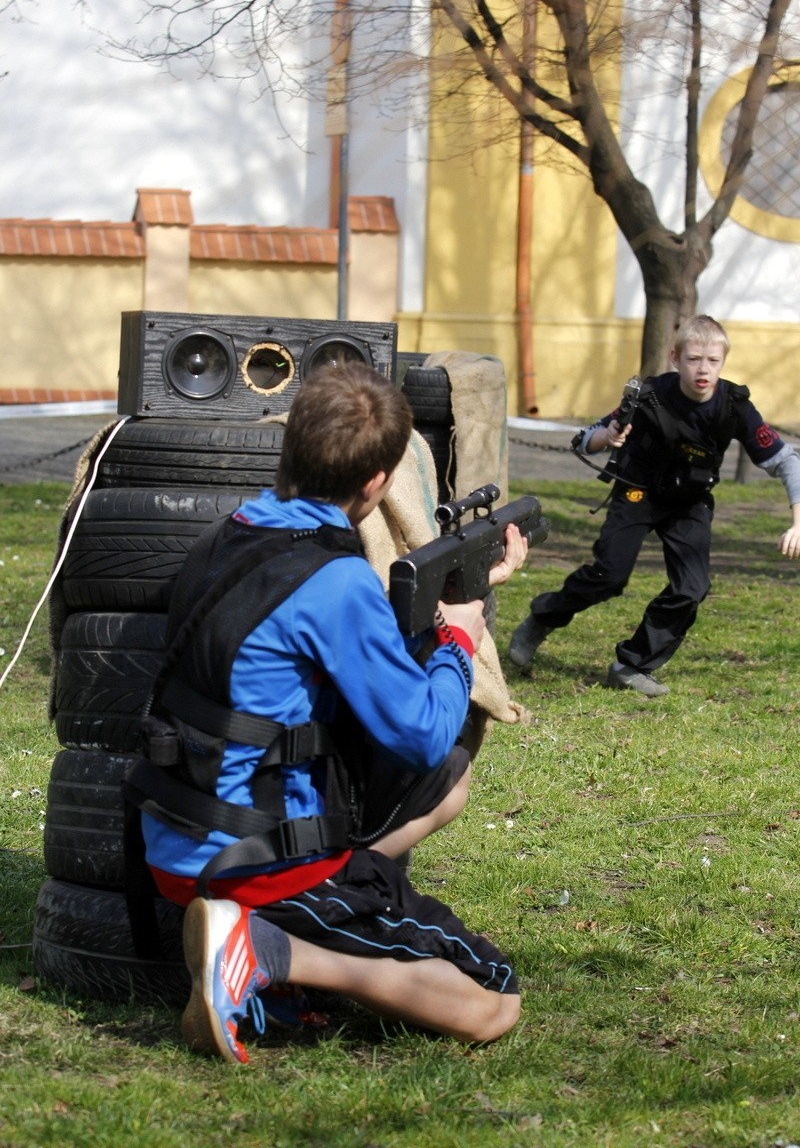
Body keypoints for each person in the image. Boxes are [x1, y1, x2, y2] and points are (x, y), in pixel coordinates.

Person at [125, 360, 527, 1064]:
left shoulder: (228, 534)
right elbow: (424, 733)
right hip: (255, 864)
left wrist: (461, 586)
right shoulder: (338, 580)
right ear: (376, 483)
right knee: (493, 1001)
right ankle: (270, 952)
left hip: (174, 835)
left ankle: (275, 934)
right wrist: (462, 628)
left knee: (453, 783)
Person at [508, 314, 800, 696]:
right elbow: (584, 440)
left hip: (689, 503)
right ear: (675, 357)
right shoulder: (649, 396)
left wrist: (797, 523)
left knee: (692, 588)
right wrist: (607, 437)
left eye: (712, 361)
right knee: (610, 576)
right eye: (694, 359)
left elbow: (785, 461)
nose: (703, 369)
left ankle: (632, 665)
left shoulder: (735, 405)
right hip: (637, 492)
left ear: (723, 362)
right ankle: (542, 618)